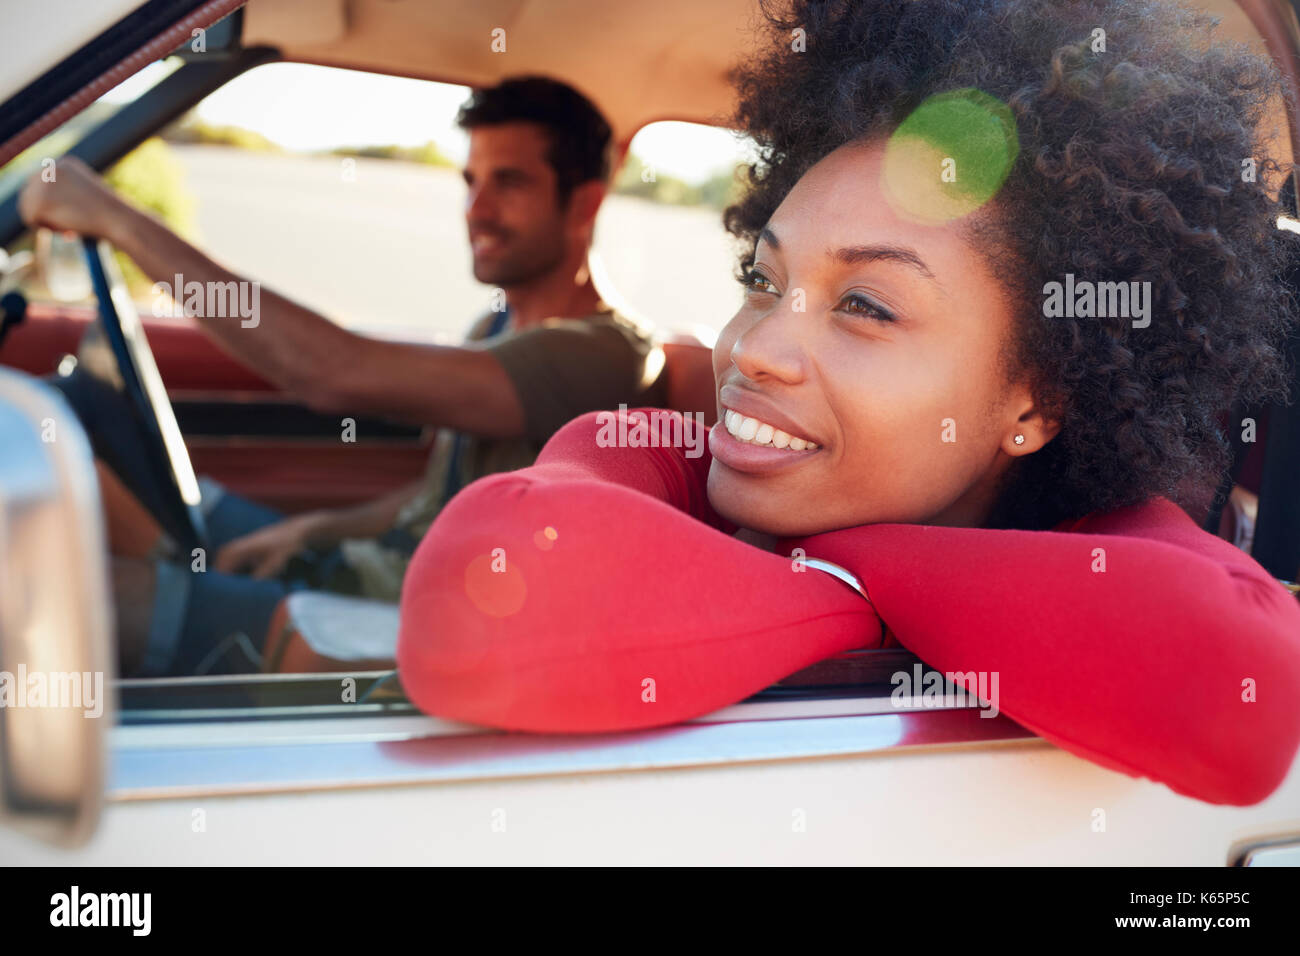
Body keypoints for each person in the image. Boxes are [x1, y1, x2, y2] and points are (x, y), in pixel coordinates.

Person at [396, 0, 1300, 806]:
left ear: (1040, 398)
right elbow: (484, 599)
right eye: (763, 279)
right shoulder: (656, 453)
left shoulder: (1114, 543)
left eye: (865, 306)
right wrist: (849, 579)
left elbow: (1238, 690)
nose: (752, 349)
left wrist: (841, 570)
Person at [18, 76, 667, 676]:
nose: (477, 208)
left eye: (509, 182)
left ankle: (179, 598)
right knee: (83, 412)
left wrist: (117, 219)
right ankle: (190, 579)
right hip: (367, 562)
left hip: (413, 615)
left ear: (585, 203)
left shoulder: (607, 355)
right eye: (470, 181)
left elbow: (333, 373)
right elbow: (430, 499)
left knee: (74, 595)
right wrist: (314, 528)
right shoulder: (494, 327)